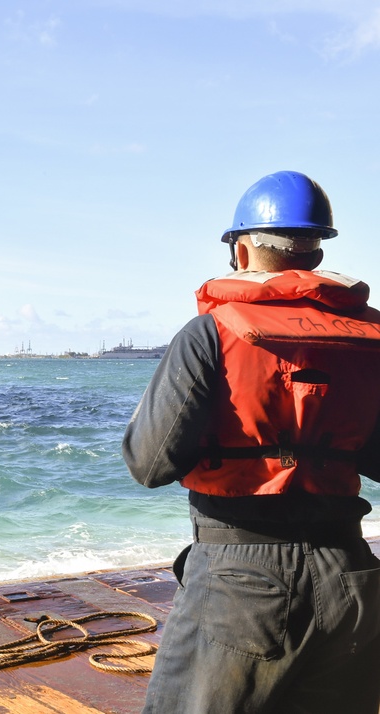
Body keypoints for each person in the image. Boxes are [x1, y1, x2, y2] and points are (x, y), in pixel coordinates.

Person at [123, 170, 380, 714]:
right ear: (315, 253)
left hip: (242, 581)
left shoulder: (212, 333)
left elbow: (149, 464)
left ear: (240, 252)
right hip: (354, 576)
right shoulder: (373, 338)